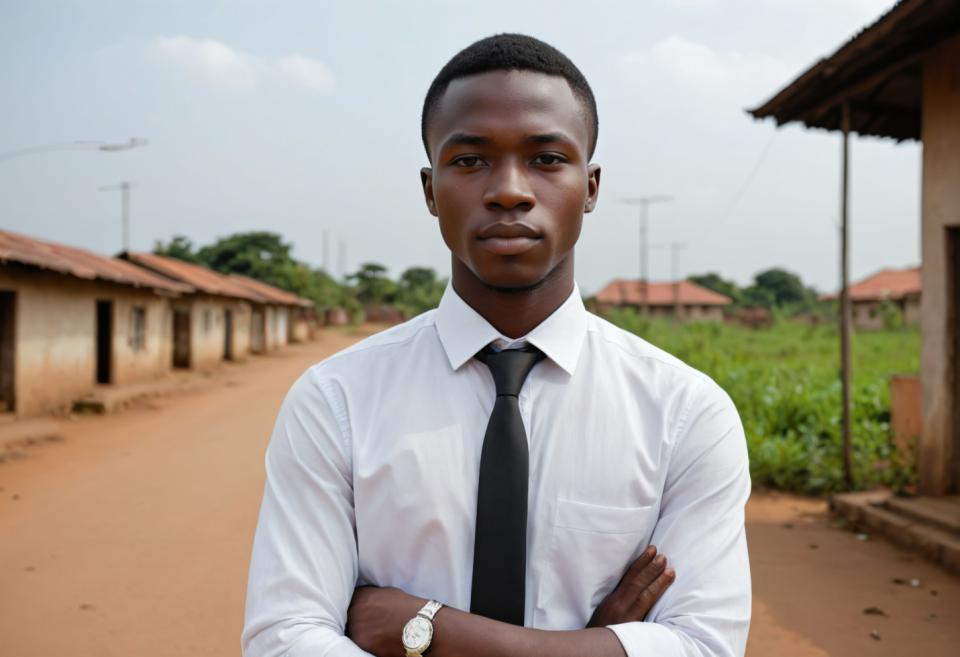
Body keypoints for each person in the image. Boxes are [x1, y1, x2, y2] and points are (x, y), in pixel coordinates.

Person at [242, 33, 751, 657]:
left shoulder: (684, 413)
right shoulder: (335, 402)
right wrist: (592, 646)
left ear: (590, 187)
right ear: (430, 191)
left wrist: (424, 629)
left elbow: (703, 646)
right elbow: (285, 638)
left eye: (546, 159)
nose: (509, 189)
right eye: (469, 160)